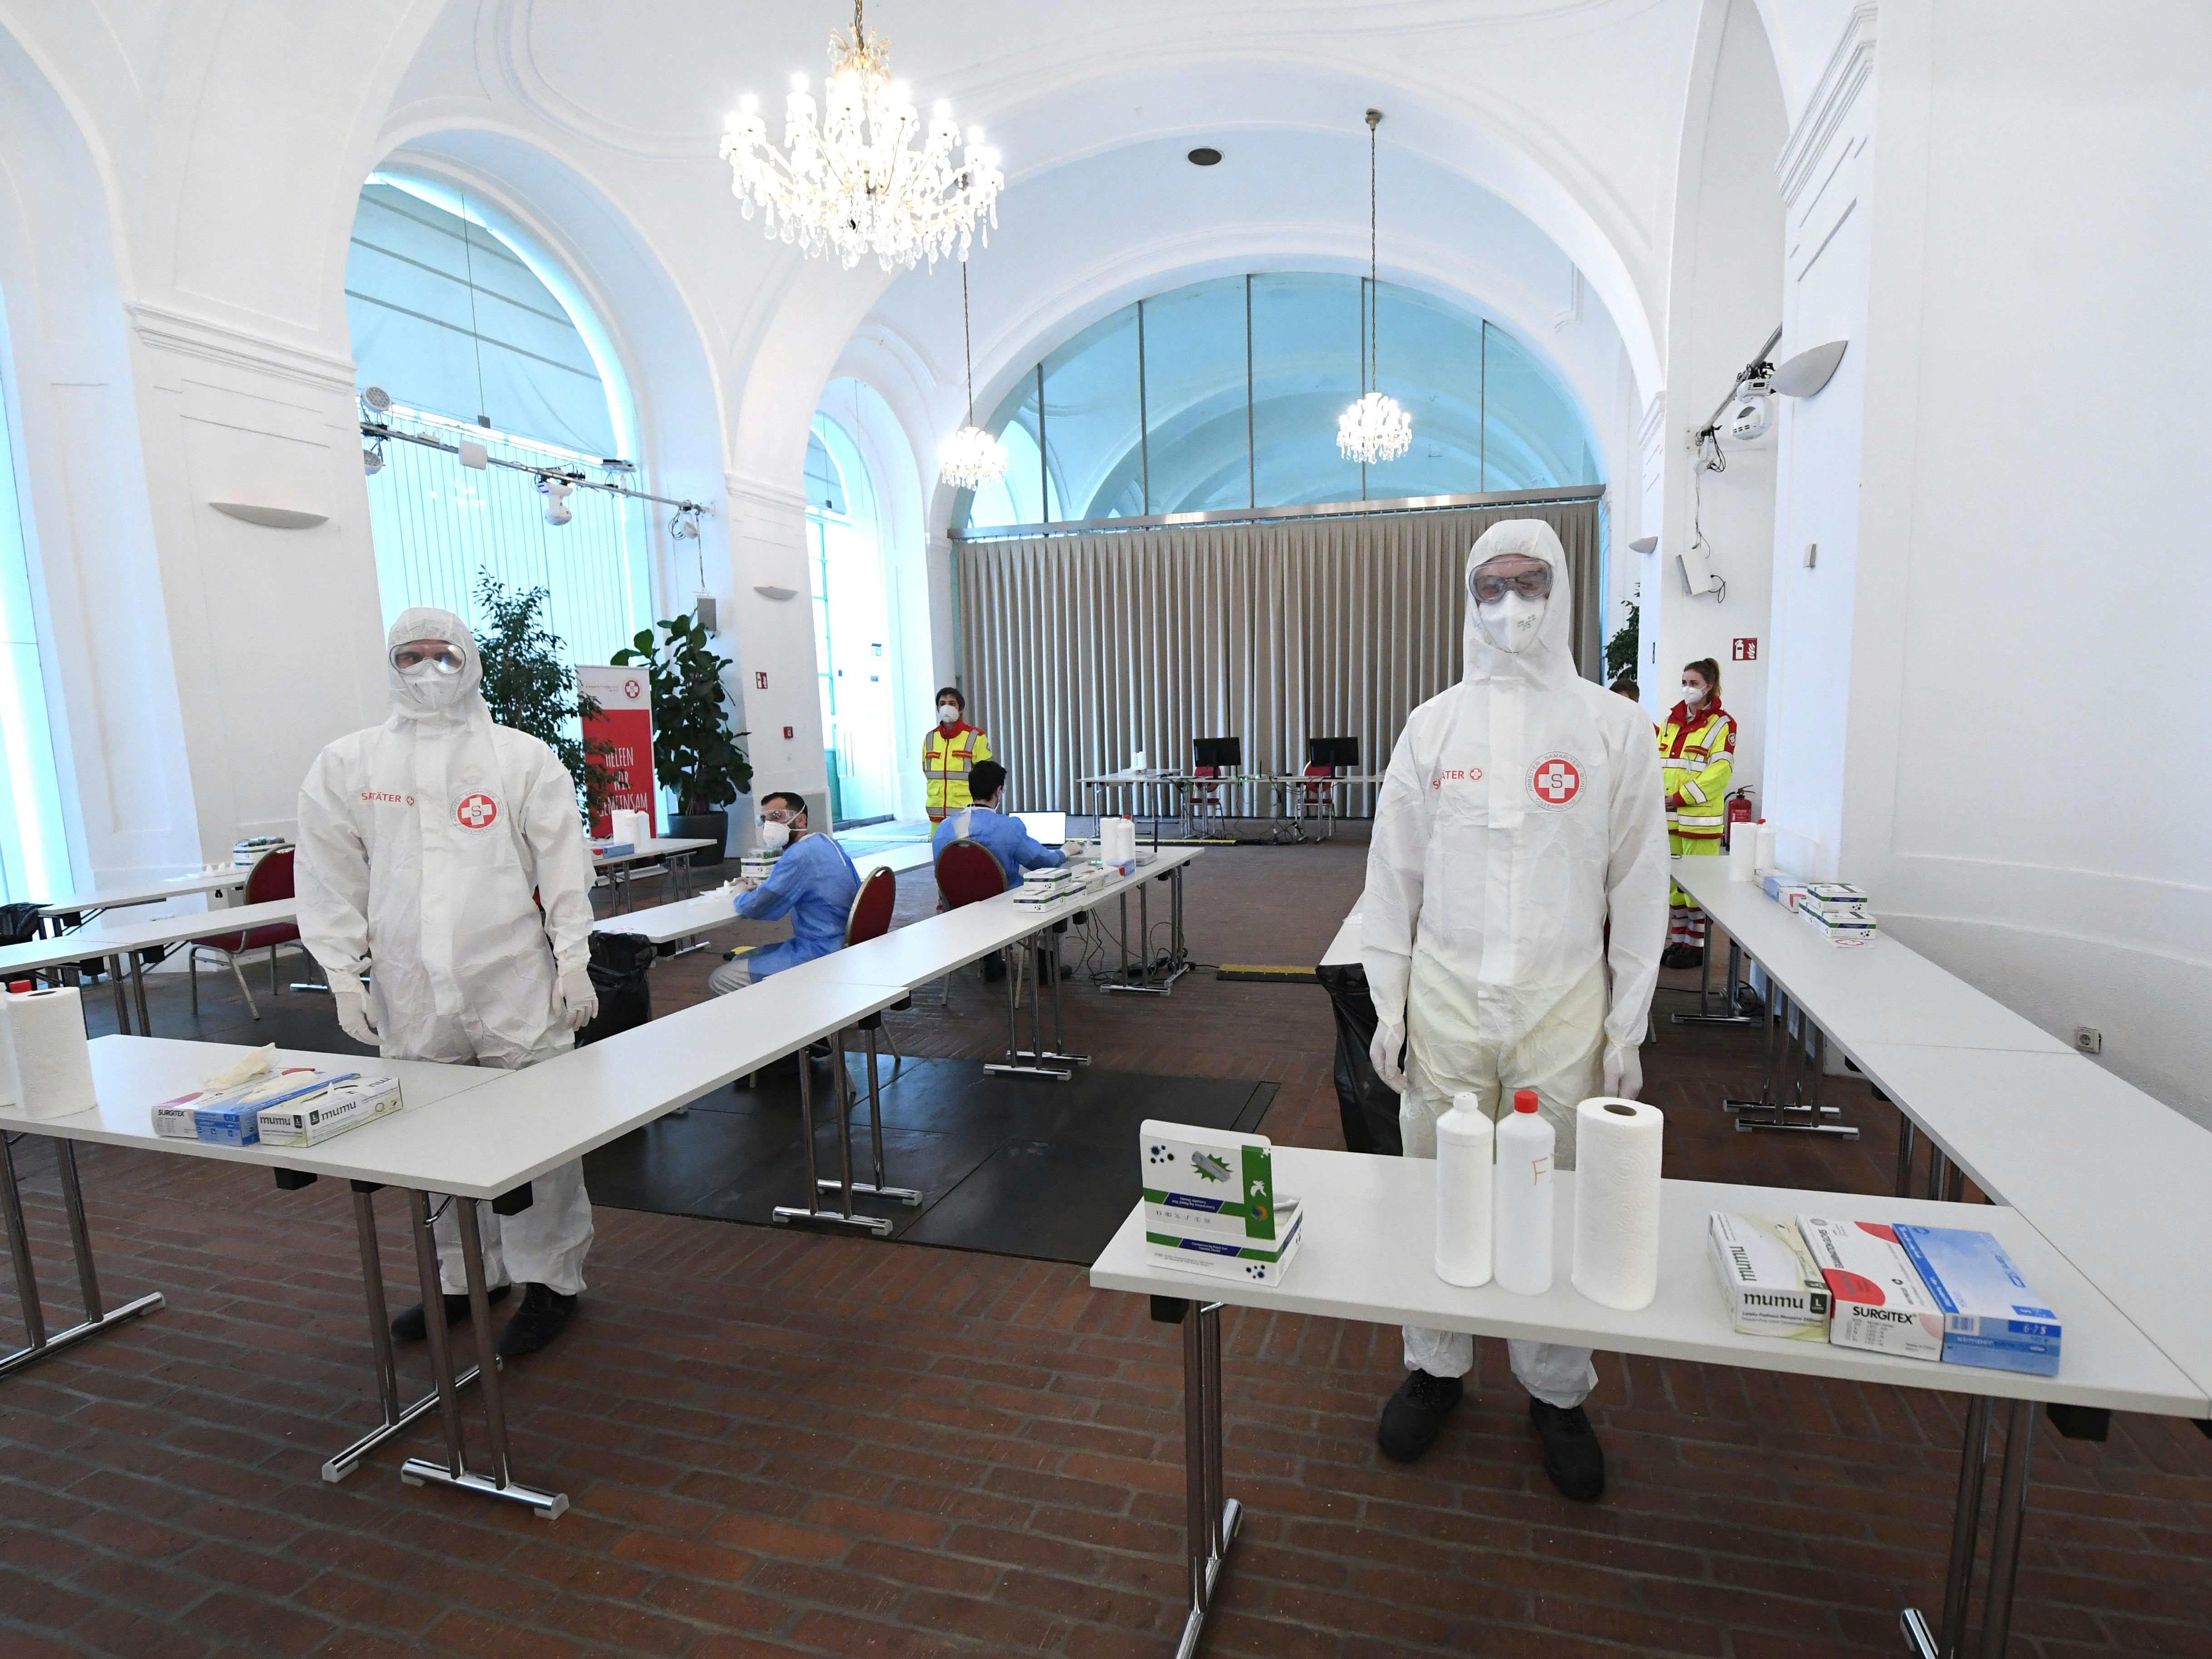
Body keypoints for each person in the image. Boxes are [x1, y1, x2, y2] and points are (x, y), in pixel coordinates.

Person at [1360, 520, 1668, 1502]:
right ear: (1465, 595)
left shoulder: (1612, 728)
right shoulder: (1431, 726)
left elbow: (1642, 882)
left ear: (1560, 588)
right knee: (1435, 1180)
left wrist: (1626, 1024)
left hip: (1560, 1000)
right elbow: (1390, 876)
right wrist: (1387, 1001)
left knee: (1557, 1192)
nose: (1508, 604)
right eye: (1488, 586)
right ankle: (1435, 1361)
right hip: (1445, 995)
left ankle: (1553, 1386)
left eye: (1527, 583)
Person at [296, 608, 599, 1359]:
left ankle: (550, 1277)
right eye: (411, 656)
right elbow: (329, 872)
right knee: (438, 1138)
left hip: (513, 981)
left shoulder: (520, 758)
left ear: (470, 661)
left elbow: (564, 863)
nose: (428, 669)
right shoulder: (351, 763)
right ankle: (469, 1275)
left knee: (539, 1135)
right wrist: (341, 972)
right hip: (410, 986)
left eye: (443, 655)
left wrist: (574, 958)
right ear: (389, 663)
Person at [706, 792, 861, 992]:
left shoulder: (799, 855)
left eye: (777, 816)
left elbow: (756, 907)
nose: (770, 824)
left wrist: (740, 892)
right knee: (740, 958)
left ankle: (765, 1021)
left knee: (720, 979)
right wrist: (764, 887)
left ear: (801, 819)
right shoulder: (825, 842)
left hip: (820, 952)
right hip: (840, 943)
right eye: (765, 819)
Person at [1657, 658, 1735, 968]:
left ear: (1709, 686)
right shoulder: (1670, 721)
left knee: (1697, 890)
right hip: (1667, 819)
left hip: (1697, 821)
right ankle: (1678, 940)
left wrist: (1680, 798)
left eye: (1694, 683)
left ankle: (1697, 946)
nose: (1687, 689)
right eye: (1684, 682)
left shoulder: (1721, 724)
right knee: (1672, 886)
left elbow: (1720, 773)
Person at [930, 760, 1067, 890]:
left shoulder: (944, 827)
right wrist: (1065, 852)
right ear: (999, 791)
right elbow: (1045, 863)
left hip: (958, 906)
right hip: (1004, 903)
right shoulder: (1009, 827)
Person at [923, 687, 993, 823]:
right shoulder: (930, 738)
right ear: (938, 709)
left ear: (961, 709)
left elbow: (987, 776)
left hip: (965, 814)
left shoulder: (976, 737)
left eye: (952, 703)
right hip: (936, 815)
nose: (946, 707)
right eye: (942, 704)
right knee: (939, 846)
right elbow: (927, 771)